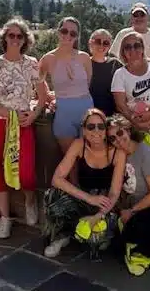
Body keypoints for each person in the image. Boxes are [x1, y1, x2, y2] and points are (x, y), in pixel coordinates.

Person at [0, 17, 48, 239]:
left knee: (27, 170)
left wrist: (34, 114)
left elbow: (43, 96)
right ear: (4, 38)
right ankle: (5, 218)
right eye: (11, 35)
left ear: (25, 40)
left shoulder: (31, 64)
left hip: (23, 123)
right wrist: (10, 115)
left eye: (19, 36)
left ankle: (30, 201)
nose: (15, 39)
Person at [42, 109, 125, 259]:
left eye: (101, 126)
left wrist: (99, 215)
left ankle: (81, 230)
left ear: (106, 130)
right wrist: (89, 198)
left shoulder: (117, 152)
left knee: (96, 241)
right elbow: (57, 179)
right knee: (52, 196)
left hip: (106, 203)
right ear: (84, 130)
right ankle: (62, 235)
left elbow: (114, 193)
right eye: (91, 127)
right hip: (84, 197)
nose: (96, 131)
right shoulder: (79, 145)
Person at [107, 114, 150, 276]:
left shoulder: (147, 154)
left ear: (128, 130)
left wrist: (131, 211)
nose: (118, 139)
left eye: (120, 133)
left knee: (137, 232)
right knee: (116, 248)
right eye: (112, 138)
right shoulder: (119, 155)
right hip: (135, 208)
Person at [111, 32, 150, 171]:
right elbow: (121, 105)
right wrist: (138, 123)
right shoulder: (120, 74)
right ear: (123, 51)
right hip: (136, 128)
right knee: (143, 165)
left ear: (143, 48)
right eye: (128, 47)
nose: (133, 49)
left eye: (137, 45)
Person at [40, 17, 93, 154]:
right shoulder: (47, 59)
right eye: (64, 31)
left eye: (73, 33)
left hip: (86, 111)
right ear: (58, 32)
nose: (68, 35)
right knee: (69, 157)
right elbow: (38, 81)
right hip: (63, 113)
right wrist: (48, 96)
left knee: (89, 154)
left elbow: (87, 84)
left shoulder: (84, 58)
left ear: (77, 37)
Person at [88, 29, 123, 116]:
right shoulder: (84, 63)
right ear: (90, 43)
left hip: (113, 116)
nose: (101, 45)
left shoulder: (115, 64)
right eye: (98, 41)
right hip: (89, 116)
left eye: (106, 43)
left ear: (109, 46)